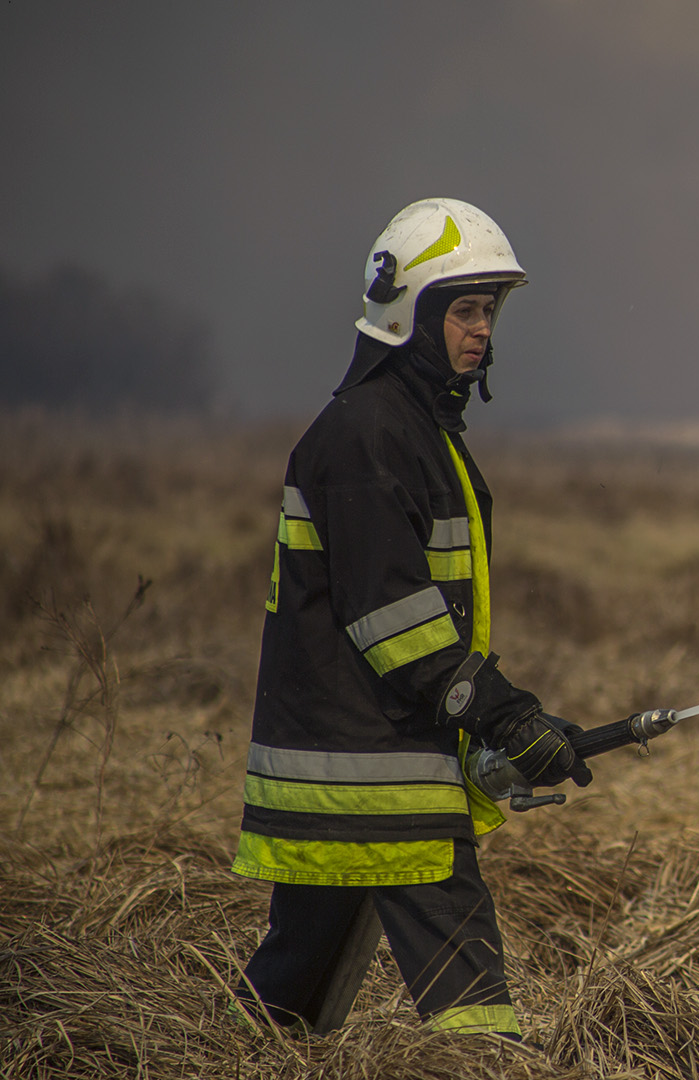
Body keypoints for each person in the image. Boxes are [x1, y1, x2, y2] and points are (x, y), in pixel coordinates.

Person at [230, 198, 612, 1039]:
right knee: (471, 1006)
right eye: (465, 311)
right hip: (378, 773)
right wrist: (508, 718)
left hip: (351, 762)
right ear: (409, 314)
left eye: (489, 312)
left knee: (285, 1006)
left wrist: (488, 724)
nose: (482, 332)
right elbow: (398, 622)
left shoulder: (409, 427)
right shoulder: (369, 436)